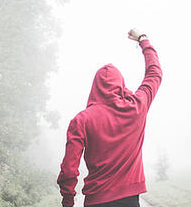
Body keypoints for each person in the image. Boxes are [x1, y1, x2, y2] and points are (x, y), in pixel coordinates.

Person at [57, 28, 163, 207]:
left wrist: (68, 199)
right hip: (130, 200)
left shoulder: (81, 120)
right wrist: (143, 40)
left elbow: (69, 167)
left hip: (96, 201)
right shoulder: (136, 107)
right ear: (121, 85)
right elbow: (154, 73)